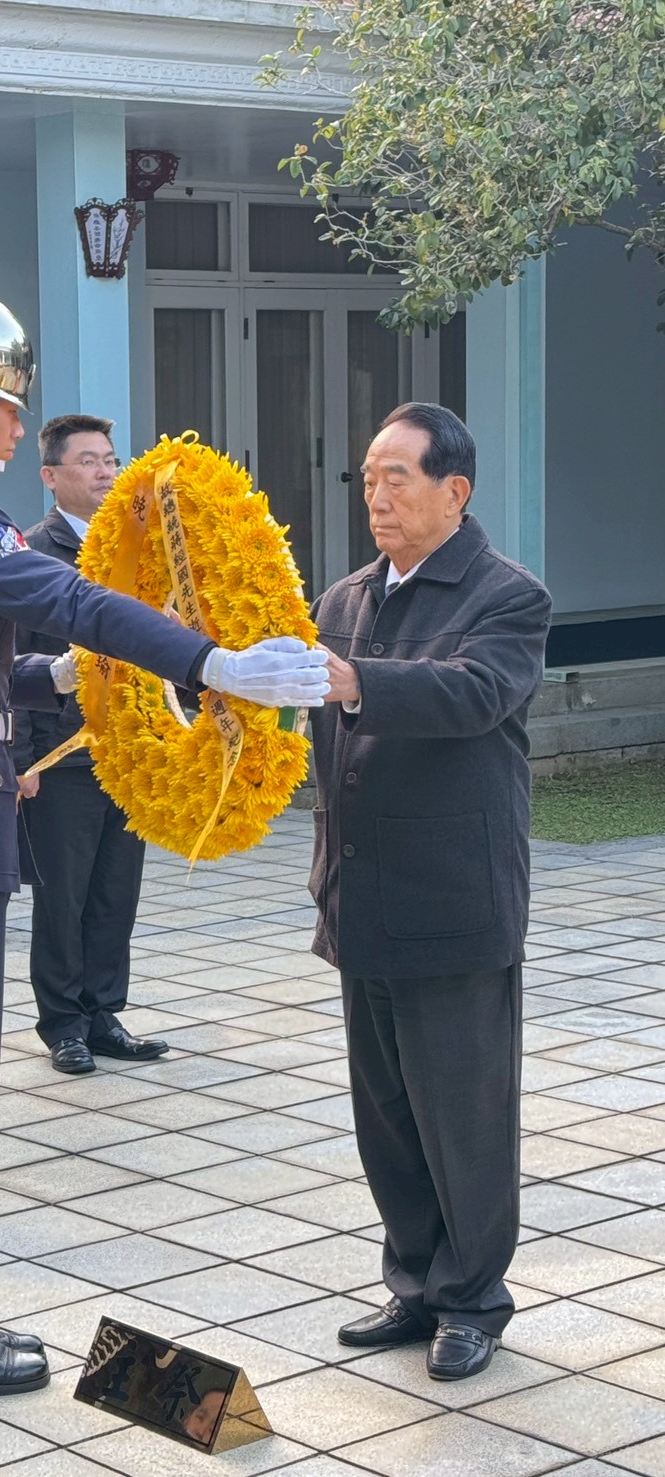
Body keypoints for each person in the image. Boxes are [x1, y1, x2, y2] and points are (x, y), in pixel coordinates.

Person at [0, 286, 331, 1401]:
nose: (21, 428)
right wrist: (213, 662)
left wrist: (46, 680)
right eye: (11, 407)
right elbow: (77, 597)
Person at [309, 402, 551, 1382]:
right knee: (388, 1113)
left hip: (453, 897)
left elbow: (470, 693)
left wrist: (350, 679)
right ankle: (412, 1279)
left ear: (455, 489)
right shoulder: (342, 599)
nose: (376, 495)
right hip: (361, 893)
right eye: (367, 477)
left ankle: (472, 1297)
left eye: (396, 476)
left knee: (464, 1111)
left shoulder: (505, 596)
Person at [15, 414, 166, 1075]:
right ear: (51, 476)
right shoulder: (27, 555)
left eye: (110, 460)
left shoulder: (136, 547)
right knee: (65, 893)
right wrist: (19, 756)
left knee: (115, 889)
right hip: (61, 753)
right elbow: (10, 658)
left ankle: (105, 1012)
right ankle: (63, 1024)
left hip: (128, 747)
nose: (106, 472)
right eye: (88, 461)